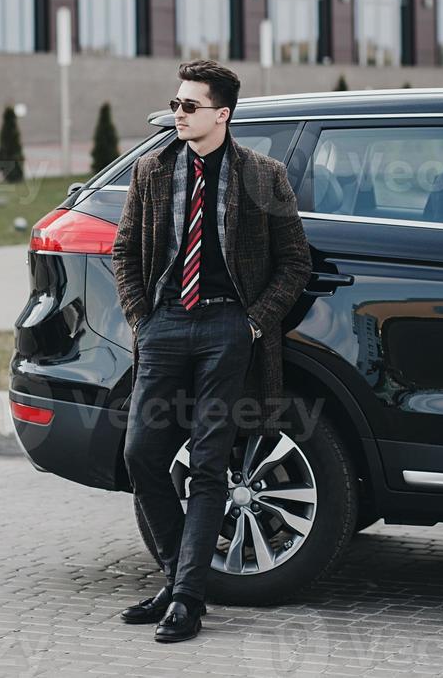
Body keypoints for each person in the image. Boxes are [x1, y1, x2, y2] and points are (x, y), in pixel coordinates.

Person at [111, 58, 313, 642]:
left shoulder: (262, 175)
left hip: (228, 329)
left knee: (207, 463)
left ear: (222, 115)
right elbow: (125, 251)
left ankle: (187, 601)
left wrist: (253, 323)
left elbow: (294, 260)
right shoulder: (152, 170)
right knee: (142, 454)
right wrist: (142, 320)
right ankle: (179, 581)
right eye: (175, 103)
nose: (177, 113)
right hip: (166, 324)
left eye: (189, 106)